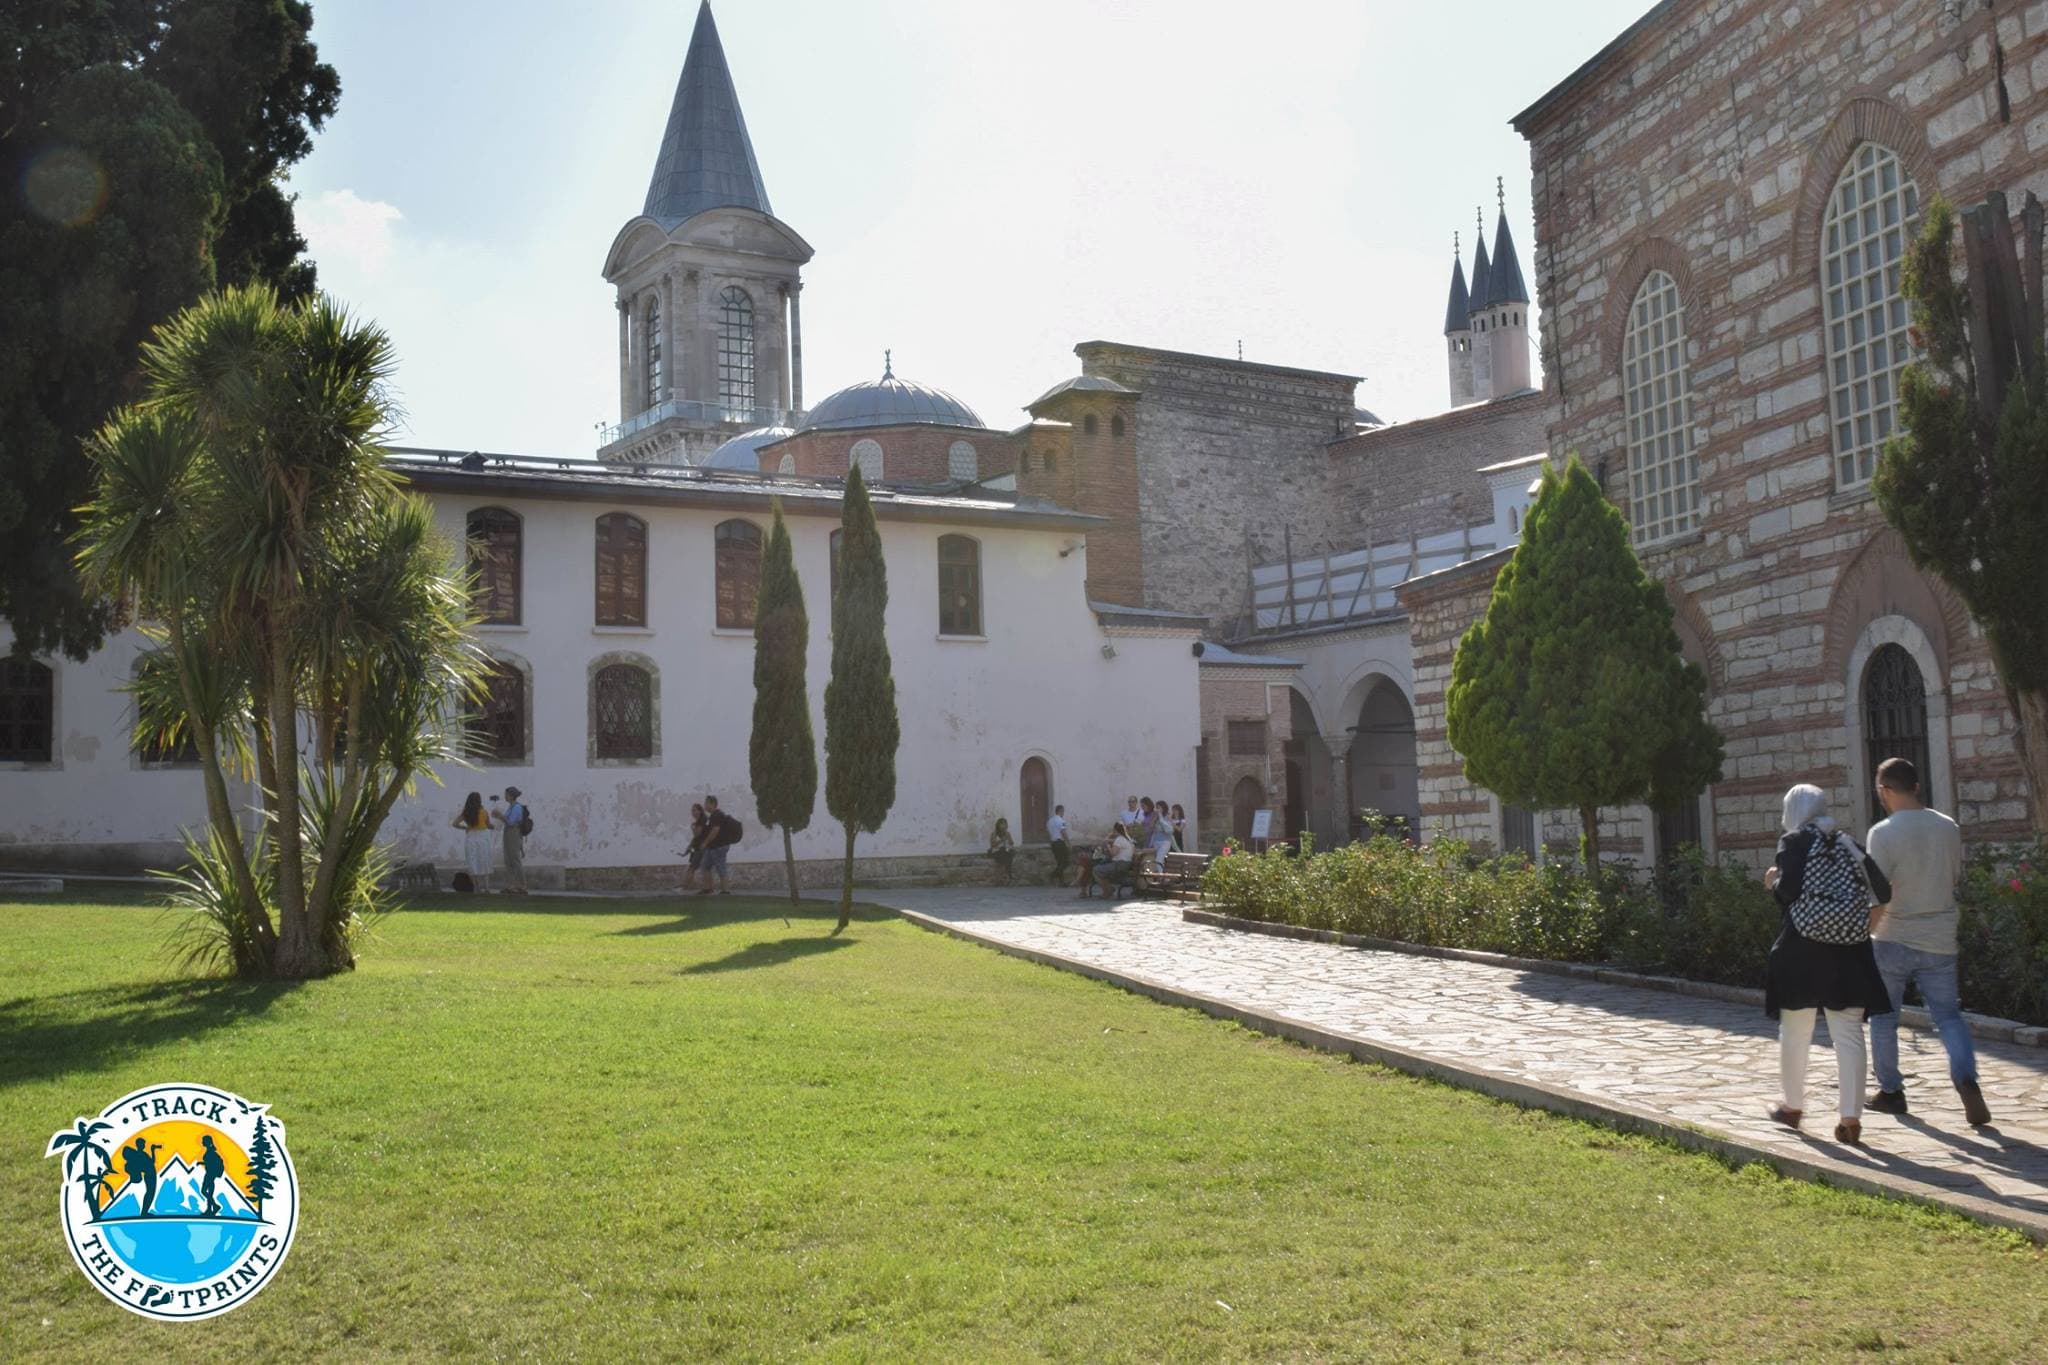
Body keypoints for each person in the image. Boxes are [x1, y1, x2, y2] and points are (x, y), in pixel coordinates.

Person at [1762, 783, 1894, 1145]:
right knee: (1849, 1033)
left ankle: (1791, 1108)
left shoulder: (1794, 841)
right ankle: (1850, 1118)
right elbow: (1882, 892)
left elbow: (1787, 892)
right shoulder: (1847, 843)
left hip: (1801, 949)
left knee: (1796, 1029)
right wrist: (1857, 926)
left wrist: (1773, 881)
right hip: (1849, 951)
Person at [1864, 757, 1989, 1125]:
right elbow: (1953, 877)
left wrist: (1868, 932)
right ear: (1917, 787)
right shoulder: (1948, 827)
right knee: (1948, 1016)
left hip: (1893, 934)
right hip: (1939, 935)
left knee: (1884, 1016)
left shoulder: (1882, 833)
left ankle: (1891, 1092)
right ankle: (1966, 1079)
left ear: (1884, 790)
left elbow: (1879, 893)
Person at [697, 795, 739, 896]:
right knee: (705, 866)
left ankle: (725, 891)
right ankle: (708, 889)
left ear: (712, 804)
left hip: (719, 847)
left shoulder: (717, 815)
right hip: (712, 847)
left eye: (706, 803)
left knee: (721, 867)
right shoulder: (713, 816)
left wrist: (705, 843)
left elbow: (715, 831)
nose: (705, 806)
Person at [452, 791, 493, 893]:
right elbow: (488, 825)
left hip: (471, 837)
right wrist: (493, 826)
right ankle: (487, 887)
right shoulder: (484, 812)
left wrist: (466, 827)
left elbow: (455, 824)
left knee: (473, 861)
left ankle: (476, 887)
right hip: (483, 837)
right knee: (484, 860)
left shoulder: (466, 813)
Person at [1093, 822, 1136, 897]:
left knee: (1096, 870)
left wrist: (1108, 846)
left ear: (1115, 830)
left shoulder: (1119, 839)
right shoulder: (1127, 838)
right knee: (1102, 870)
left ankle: (1108, 890)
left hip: (1120, 865)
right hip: (1126, 864)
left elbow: (1113, 853)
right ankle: (1108, 889)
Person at [120, 1137, 159, 1217]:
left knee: (150, 1193)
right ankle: (144, 1213)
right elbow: (150, 1163)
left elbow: (151, 1162)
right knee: (150, 1193)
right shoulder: (140, 1155)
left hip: (151, 1174)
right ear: (139, 1145)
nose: (144, 1145)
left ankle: (144, 1212)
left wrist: (152, 1150)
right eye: (143, 1144)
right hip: (150, 1174)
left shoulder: (141, 1154)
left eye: (144, 1144)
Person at [499, 786, 528, 895]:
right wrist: (501, 817)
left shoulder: (516, 807)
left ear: (511, 796)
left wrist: (500, 816)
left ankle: (522, 885)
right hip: (508, 833)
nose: (505, 796)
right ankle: (511, 885)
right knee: (508, 860)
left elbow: (511, 822)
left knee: (515, 860)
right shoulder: (511, 807)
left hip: (514, 833)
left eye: (506, 794)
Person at [678, 803, 709, 893]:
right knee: (694, 868)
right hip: (697, 847)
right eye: (692, 811)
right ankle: (685, 887)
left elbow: (697, 834)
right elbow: (695, 839)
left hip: (701, 848)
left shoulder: (702, 820)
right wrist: (687, 850)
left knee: (692, 868)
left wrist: (692, 828)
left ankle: (684, 887)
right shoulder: (699, 821)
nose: (693, 812)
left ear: (700, 811)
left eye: (694, 810)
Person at [199, 1134, 226, 1216]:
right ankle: (210, 1209)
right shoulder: (210, 1151)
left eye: (203, 1141)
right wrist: (202, 1163)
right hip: (210, 1174)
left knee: (204, 1191)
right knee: (209, 1192)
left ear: (207, 1142)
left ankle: (214, 1206)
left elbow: (211, 1163)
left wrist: (204, 1163)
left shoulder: (211, 1152)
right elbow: (209, 1162)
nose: (202, 1142)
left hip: (210, 1174)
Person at [1046, 804, 1072, 885]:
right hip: (1060, 843)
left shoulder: (1049, 821)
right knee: (1066, 862)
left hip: (1053, 843)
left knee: (1059, 862)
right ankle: (1053, 875)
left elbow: (1049, 833)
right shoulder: (1061, 820)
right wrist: (1068, 843)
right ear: (1061, 811)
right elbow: (1063, 832)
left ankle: (1061, 882)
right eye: (1063, 811)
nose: (1063, 813)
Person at [987, 818, 1016, 882]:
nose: (1003, 825)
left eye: (1005, 824)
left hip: (1004, 851)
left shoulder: (1007, 833)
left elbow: (1012, 843)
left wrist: (1008, 838)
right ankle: (1008, 874)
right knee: (1006, 853)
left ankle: (1008, 874)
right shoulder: (994, 834)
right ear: (998, 825)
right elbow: (992, 845)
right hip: (995, 851)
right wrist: (1001, 840)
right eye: (1002, 824)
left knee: (1011, 852)